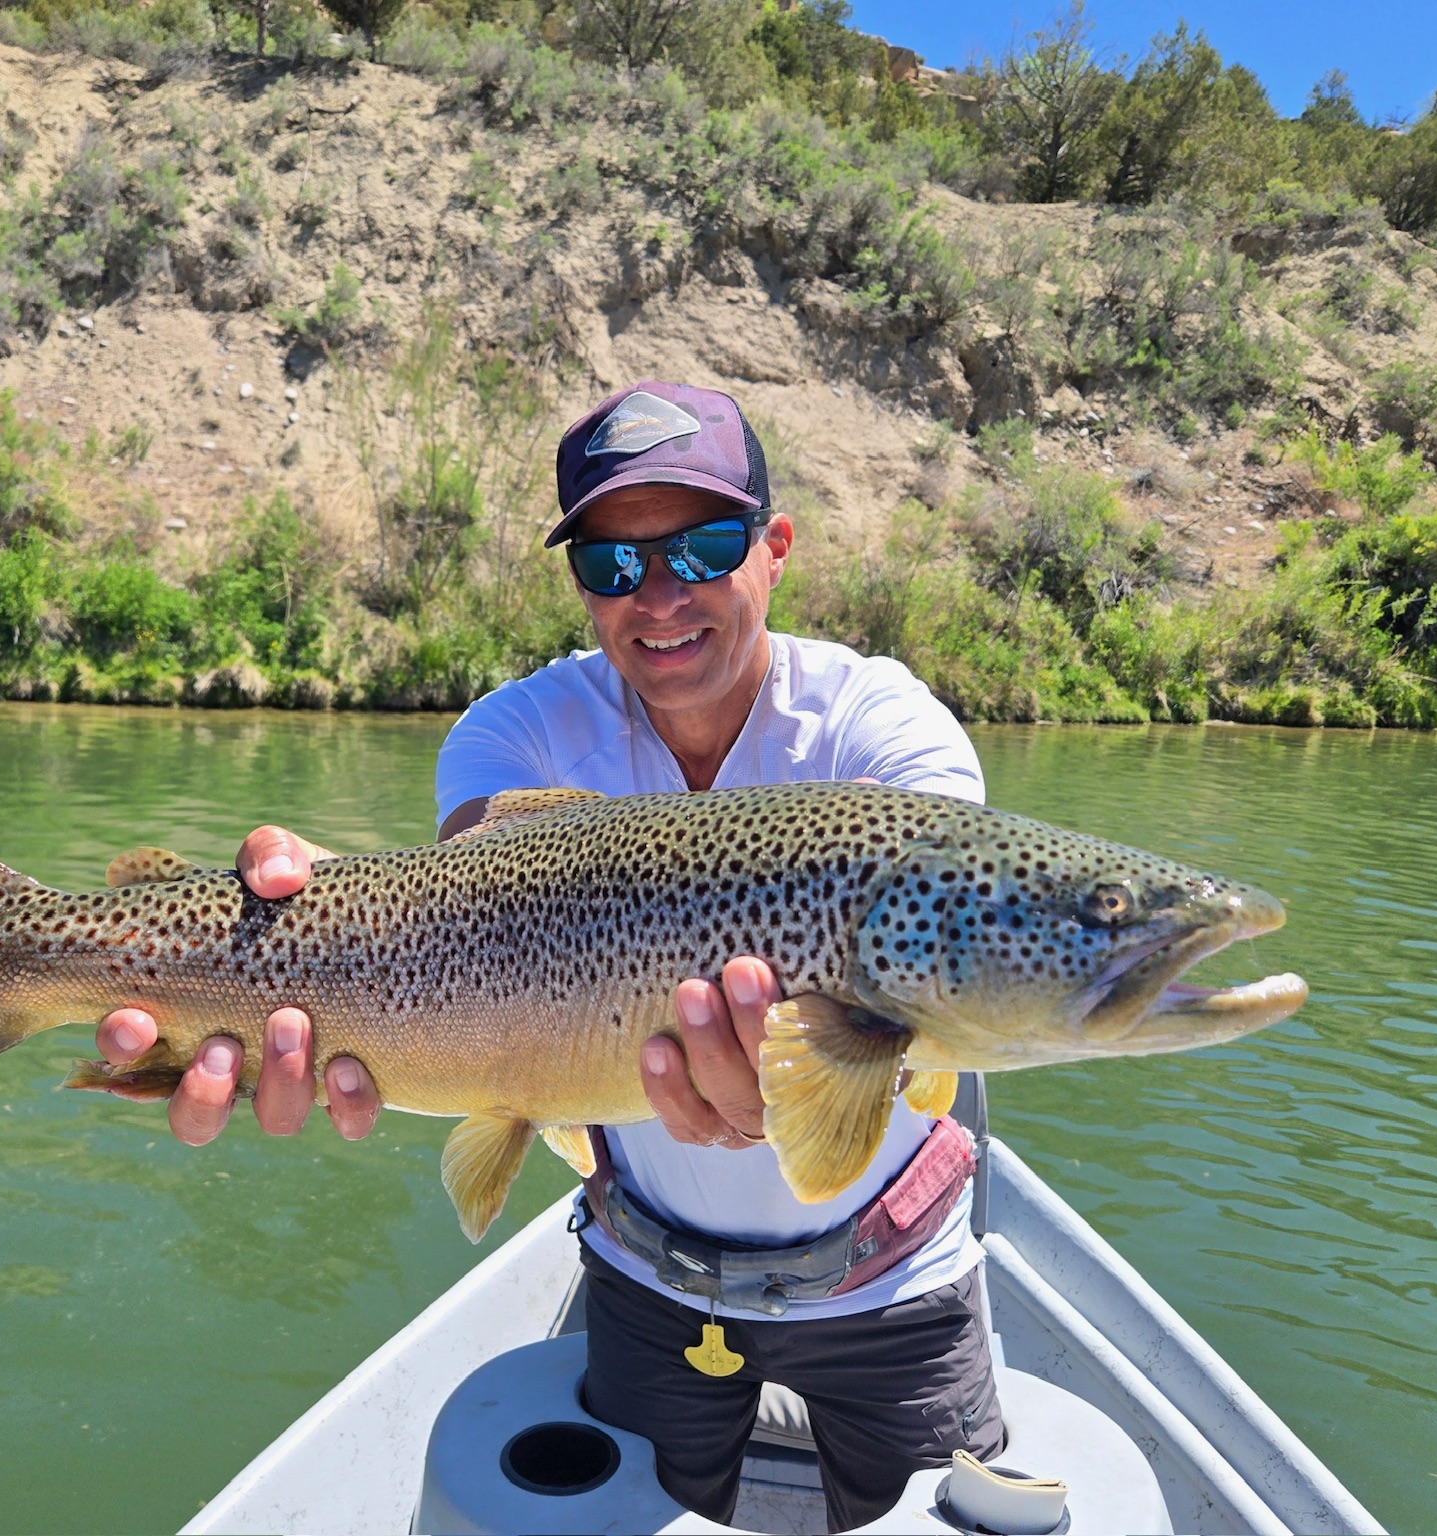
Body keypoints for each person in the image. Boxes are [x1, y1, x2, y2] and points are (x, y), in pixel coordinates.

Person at [96, 381, 1007, 1530]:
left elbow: (927, 872)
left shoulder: (882, 724)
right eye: (612, 566)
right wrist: (302, 924)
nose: (659, 595)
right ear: (581, 586)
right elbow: (471, 913)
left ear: (774, 549)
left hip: (898, 1283)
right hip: (645, 1280)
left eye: (704, 545)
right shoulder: (510, 730)